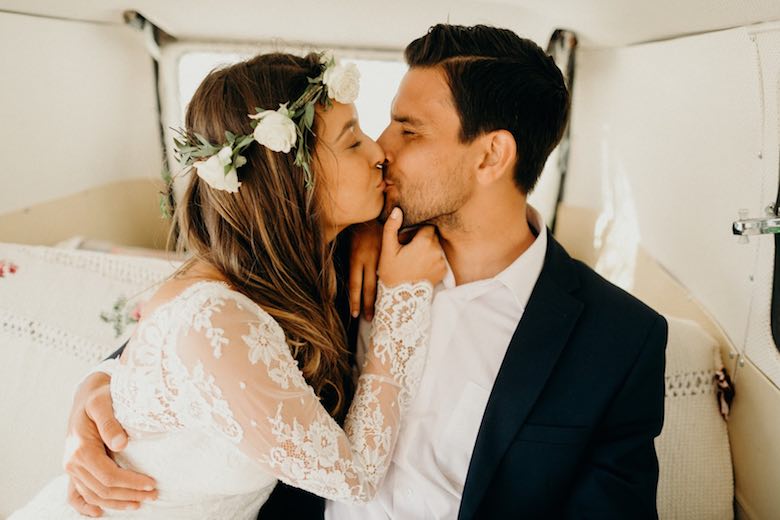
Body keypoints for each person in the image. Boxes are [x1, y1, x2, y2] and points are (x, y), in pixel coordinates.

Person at [63, 24, 668, 519]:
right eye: (377, 126)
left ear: (490, 155)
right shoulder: (332, 249)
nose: (382, 145)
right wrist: (95, 392)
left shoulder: (619, 341)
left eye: (409, 129)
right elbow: (196, 335)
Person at [9, 51, 446, 519]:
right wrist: (404, 298)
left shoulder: (297, 264)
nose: (379, 151)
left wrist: (363, 228)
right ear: (292, 180)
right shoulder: (212, 314)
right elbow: (354, 477)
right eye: (352, 140)